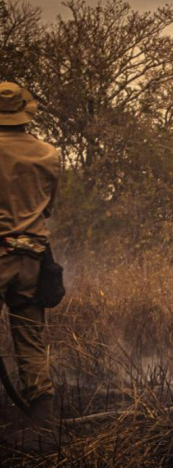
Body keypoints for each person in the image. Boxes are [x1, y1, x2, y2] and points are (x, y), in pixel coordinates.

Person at [0, 82, 60, 427]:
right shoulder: (48, 154)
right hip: (32, 259)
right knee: (30, 339)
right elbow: (48, 208)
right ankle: (43, 424)